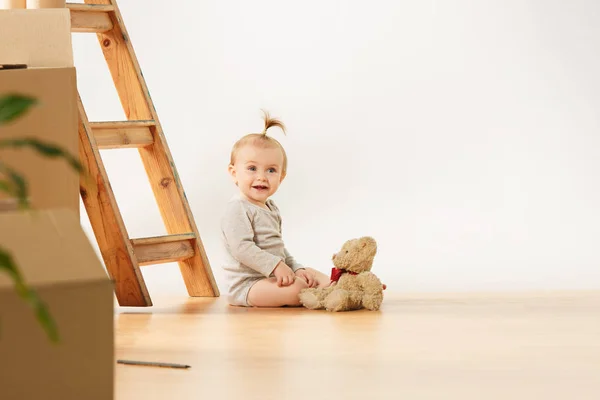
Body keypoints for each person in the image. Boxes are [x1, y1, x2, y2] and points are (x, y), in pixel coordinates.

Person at [220, 110, 332, 307]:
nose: (262, 177)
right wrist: (275, 267)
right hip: (247, 286)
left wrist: (296, 268)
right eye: (252, 168)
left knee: (310, 274)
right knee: (298, 288)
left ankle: (345, 288)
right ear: (234, 173)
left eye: (271, 170)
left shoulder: (271, 208)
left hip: (273, 276)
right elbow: (242, 249)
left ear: (281, 177)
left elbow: (279, 250)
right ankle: (322, 296)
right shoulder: (237, 208)